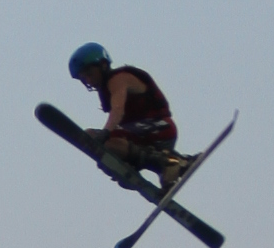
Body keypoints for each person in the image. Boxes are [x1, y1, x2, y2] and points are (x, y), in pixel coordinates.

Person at [66, 44, 193, 186]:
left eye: (89, 74)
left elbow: (118, 110)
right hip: (147, 135)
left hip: (157, 128)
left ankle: (164, 162)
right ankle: (170, 165)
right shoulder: (106, 91)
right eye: (83, 79)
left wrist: (105, 133)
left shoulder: (118, 79)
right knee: (105, 156)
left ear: (102, 65)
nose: (88, 81)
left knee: (93, 138)